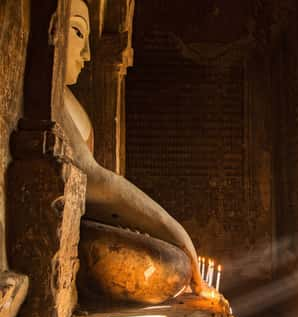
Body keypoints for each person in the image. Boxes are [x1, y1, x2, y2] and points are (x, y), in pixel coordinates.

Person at [62, 0, 216, 299]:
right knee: (174, 264)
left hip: (89, 221)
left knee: (171, 262)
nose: (87, 55)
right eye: (78, 33)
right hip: (67, 233)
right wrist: (178, 235)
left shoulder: (68, 102)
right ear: (52, 29)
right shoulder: (46, 97)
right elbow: (93, 180)